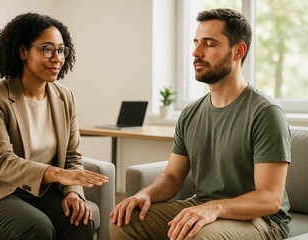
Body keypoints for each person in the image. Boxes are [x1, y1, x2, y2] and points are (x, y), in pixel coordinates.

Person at [109, 8, 291, 240]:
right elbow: (173, 177)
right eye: (196, 42)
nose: (196, 52)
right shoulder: (190, 113)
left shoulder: (266, 112)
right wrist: (145, 194)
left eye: (209, 44)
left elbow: (270, 198)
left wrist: (214, 208)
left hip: (261, 220)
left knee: (197, 237)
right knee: (123, 221)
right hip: (204, 206)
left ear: (238, 51)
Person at [0, 13, 109, 240]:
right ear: (23, 51)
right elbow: (1, 162)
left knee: (80, 222)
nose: (57, 58)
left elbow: (72, 155)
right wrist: (57, 174)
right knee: (37, 228)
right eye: (47, 49)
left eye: (61, 50)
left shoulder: (65, 96)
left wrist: (73, 192)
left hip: (40, 191)